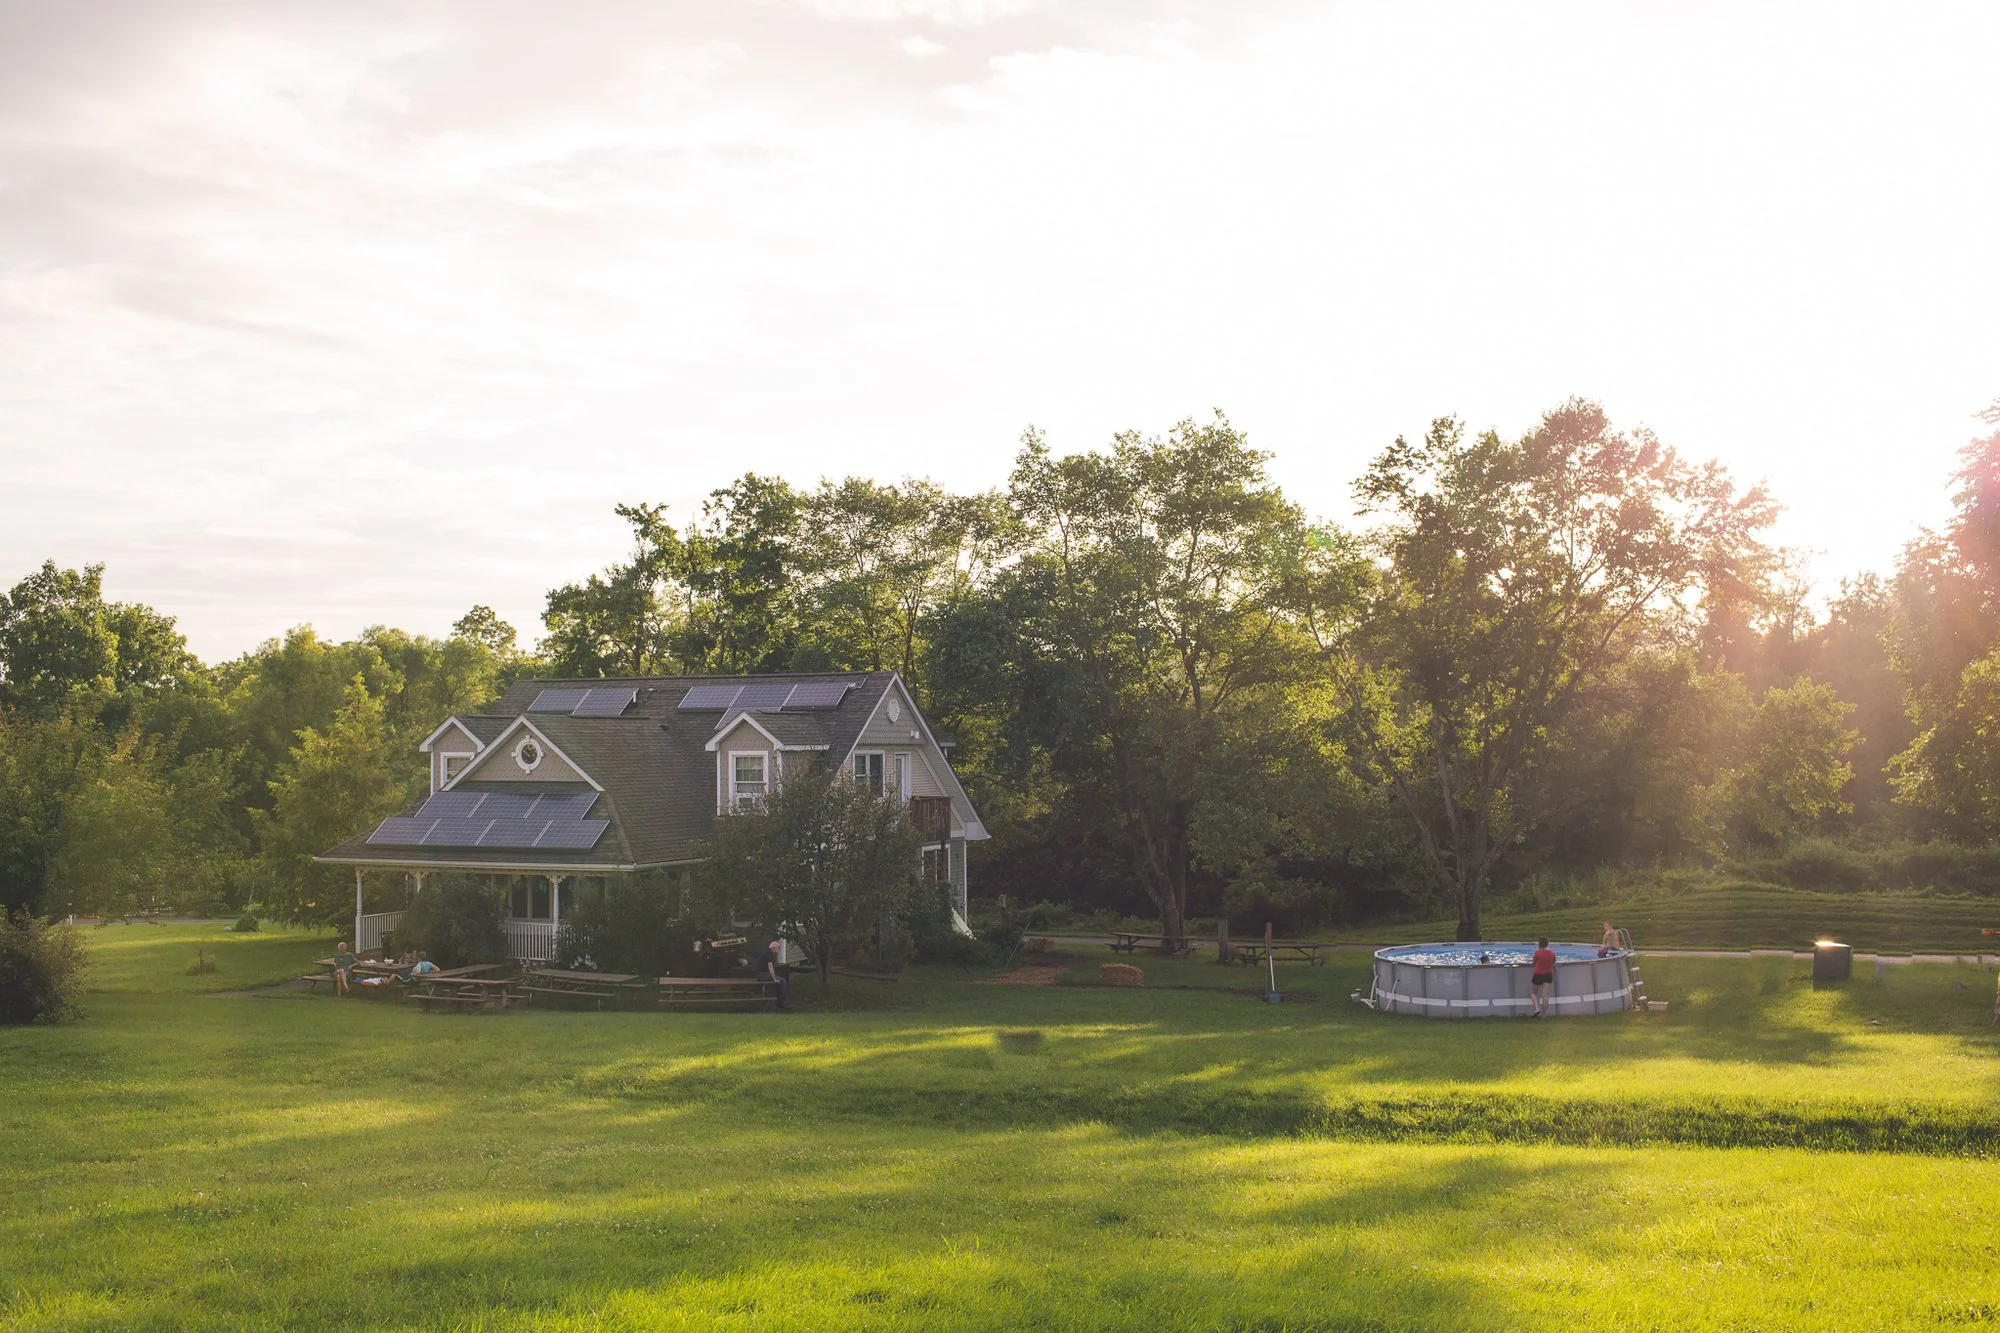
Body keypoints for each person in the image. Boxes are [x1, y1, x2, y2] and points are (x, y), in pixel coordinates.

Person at [758, 940, 791, 1011]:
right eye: (778, 948)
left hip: (762, 974)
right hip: (763, 975)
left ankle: (780, 1001)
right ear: (773, 948)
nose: (779, 949)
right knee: (782, 980)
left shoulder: (767, 954)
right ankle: (782, 1002)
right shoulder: (769, 955)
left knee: (781, 981)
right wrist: (774, 978)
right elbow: (770, 967)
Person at [1529, 939, 1557, 1018]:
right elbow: (1553, 962)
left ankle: (1537, 1009)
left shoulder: (1537, 953)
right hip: (1548, 974)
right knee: (1545, 995)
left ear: (1539, 945)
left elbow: (1533, 964)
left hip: (1538, 974)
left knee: (1533, 993)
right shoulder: (1552, 953)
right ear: (1547, 944)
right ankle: (1543, 1014)